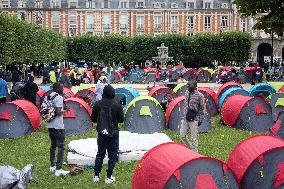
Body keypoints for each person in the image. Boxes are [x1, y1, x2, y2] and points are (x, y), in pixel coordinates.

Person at [91, 85, 124, 184]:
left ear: (103, 93)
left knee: (100, 154)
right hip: (113, 132)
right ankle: (108, 177)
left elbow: (93, 119)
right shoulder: (117, 104)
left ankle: (96, 176)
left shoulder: (97, 104)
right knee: (112, 155)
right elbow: (121, 120)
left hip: (101, 132)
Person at [47, 83, 70, 177]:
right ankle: (58, 169)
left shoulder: (48, 96)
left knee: (53, 145)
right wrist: (66, 111)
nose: (62, 89)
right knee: (61, 147)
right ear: (56, 88)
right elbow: (58, 112)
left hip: (50, 124)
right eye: (61, 88)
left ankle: (52, 166)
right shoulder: (59, 97)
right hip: (58, 126)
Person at [180, 81, 205, 152]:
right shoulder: (187, 93)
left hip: (194, 119)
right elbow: (185, 105)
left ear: (195, 87)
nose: (188, 88)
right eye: (187, 86)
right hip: (185, 117)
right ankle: (190, 148)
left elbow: (202, 108)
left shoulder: (200, 95)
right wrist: (184, 114)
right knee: (182, 135)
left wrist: (200, 119)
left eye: (189, 87)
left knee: (194, 138)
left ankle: (195, 153)